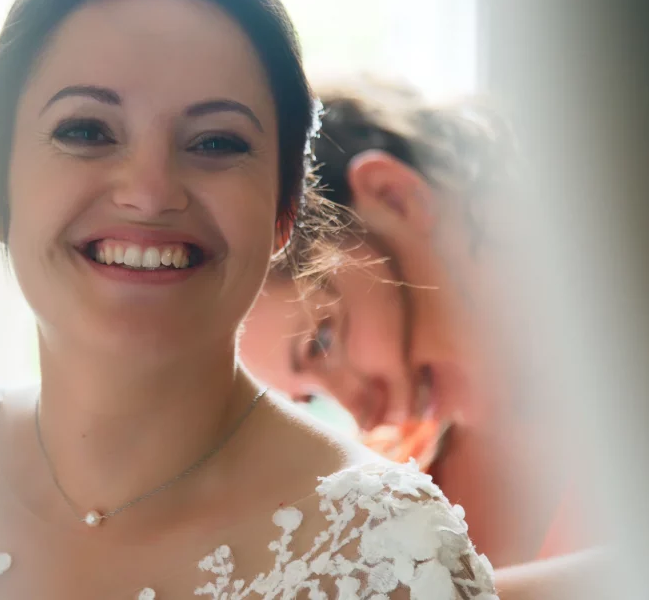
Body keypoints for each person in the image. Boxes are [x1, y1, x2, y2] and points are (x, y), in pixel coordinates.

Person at [0, 0, 497, 600]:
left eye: (214, 142)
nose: (151, 192)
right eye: (87, 131)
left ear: (284, 212)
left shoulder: (392, 558)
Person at [239, 79, 601, 593]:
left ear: (395, 196)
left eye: (322, 341)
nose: (364, 414)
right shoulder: (387, 472)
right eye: (311, 397)